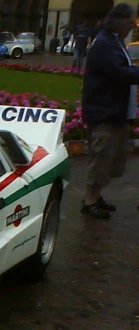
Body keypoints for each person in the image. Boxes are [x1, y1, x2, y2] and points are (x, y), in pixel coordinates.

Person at [81, 3, 139, 219]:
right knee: (101, 156)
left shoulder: (114, 41)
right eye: (131, 22)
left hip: (114, 111)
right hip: (105, 112)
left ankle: (96, 196)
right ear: (120, 21)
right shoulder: (105, 44)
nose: (132, 26)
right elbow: (119, 73)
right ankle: (89, 199)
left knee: (110, 158)